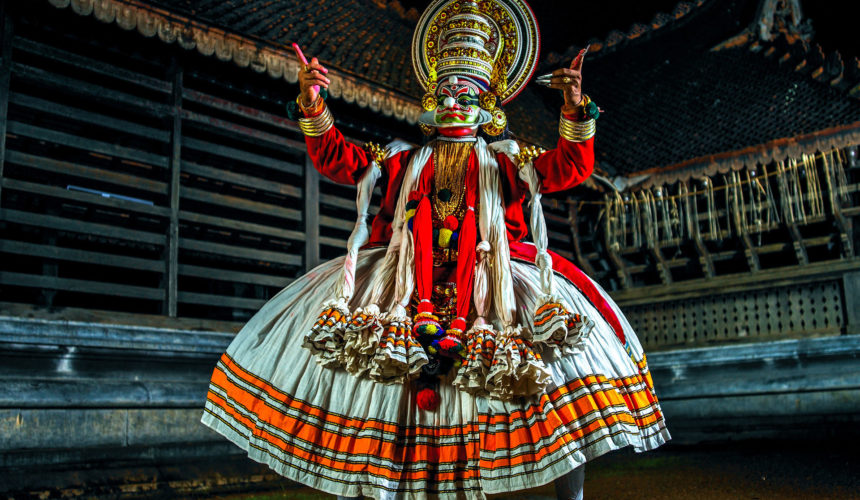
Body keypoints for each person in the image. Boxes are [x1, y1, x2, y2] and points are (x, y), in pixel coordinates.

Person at [201, 1, 669, 499]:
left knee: (553, 385)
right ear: (432, 97)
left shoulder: (507, 162)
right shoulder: (403, 159)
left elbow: (567, 169)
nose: (454, 99)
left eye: (466, 91)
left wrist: (575, 111)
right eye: (445, 90)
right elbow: (341, 161)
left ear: (489, 104)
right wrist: (314, 104)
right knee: (375, 393)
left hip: (491, 284)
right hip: (405, 282)